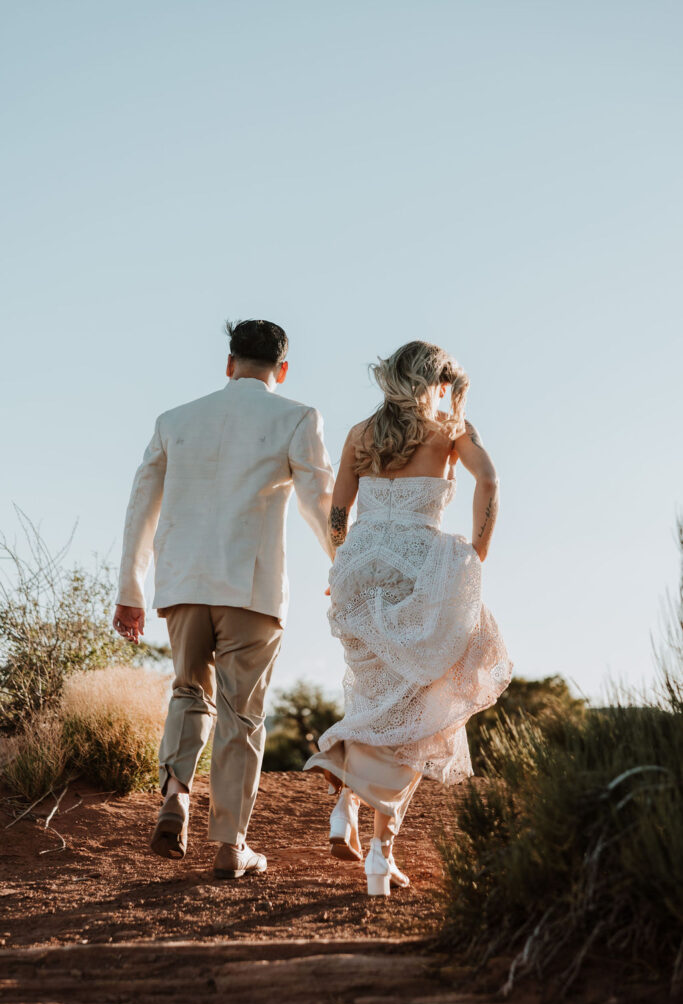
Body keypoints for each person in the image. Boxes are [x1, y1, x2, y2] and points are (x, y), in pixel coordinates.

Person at [113, 319, 334, 879]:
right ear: (281, 370)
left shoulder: (174, 420)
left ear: (229, 362)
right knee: (242, 715)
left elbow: (141, 504)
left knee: (188, 692)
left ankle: (177, 794)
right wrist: (343, 564)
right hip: (252, 590)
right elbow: (319, 501)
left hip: (183, 585)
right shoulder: (296, 417)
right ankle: (231, 846)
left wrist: (130, 591)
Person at [304, 340, 512, 896]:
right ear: (435, 382)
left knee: (376, 697)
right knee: (419, 710)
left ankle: (345, 802)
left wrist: (342, 561)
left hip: (360, 568)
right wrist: (476, 553)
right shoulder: (451, 430)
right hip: (418, 568)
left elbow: (339, 512)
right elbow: (489, 481)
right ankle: (379, 855)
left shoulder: (359, 434)